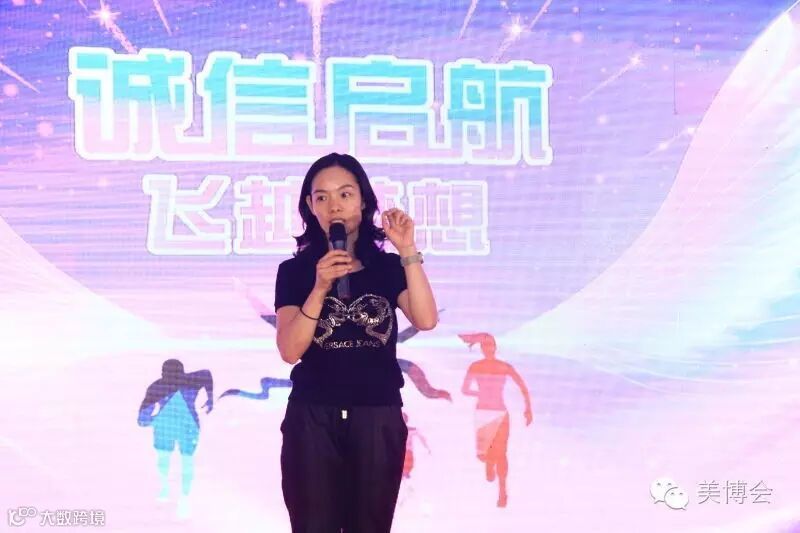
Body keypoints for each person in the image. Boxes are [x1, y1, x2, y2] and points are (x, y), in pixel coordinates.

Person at [274, 153, 438, 533]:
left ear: (363, 201)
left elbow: (426, 319)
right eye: (322, 197)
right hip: (312, 417)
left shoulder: (387, 268)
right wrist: (320, 287)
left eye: (345, 194)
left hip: (377, 415)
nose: (334, 205)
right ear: (310, 207)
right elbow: (289, 350)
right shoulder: (295, 272)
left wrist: (407, 250)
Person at [459, 333, 532, 508]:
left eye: (490, 345)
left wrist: (528, 408)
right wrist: (480, 393)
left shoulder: (503, 366)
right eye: (485, 346)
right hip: (483, 413)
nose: (488, 349)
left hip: (500, 412)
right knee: (485, 454)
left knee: (502, 453)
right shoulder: (476, 366)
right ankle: (489, 462)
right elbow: (464, 389)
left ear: (495, 348)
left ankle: (502, 491)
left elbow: (522, 385)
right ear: (482, 349)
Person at [137, 359, 213, 518]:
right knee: (180, 460)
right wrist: (210, 398)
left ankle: (177, 494)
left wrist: (151, 419)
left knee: (175, 460)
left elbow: (142, 418)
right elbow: (206, 375)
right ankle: (175, 492)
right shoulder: (184, 381)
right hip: (180, 426)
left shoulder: (159, 386)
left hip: (178, 426)